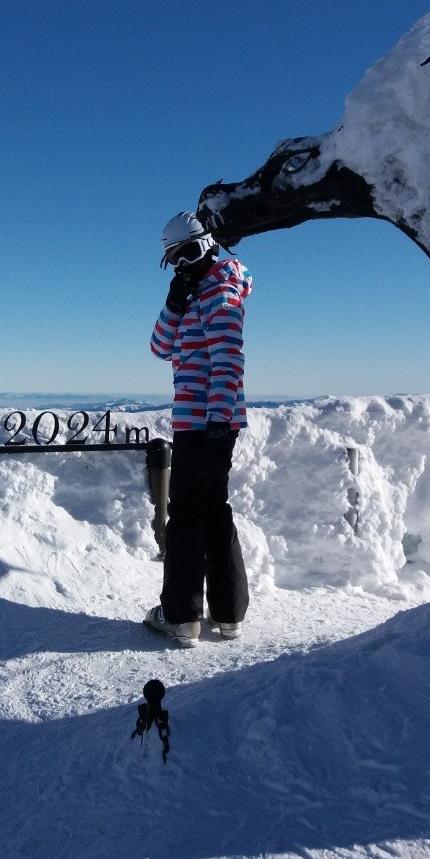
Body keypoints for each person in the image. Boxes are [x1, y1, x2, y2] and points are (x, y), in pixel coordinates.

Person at [144, 211, 252, 647]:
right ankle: (228, 614)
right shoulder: (195, 293)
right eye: (174, 259)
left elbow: (229, 360)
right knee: (211, 509)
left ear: (206, 246)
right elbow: (158, 347)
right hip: (201, 421)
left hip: (206, 422)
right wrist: (174, 302)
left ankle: (181, 616)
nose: (182, 265)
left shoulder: (222, 290)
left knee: (187, 514)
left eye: (187, 254)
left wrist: (217, 420)